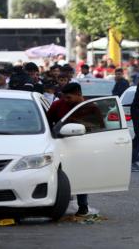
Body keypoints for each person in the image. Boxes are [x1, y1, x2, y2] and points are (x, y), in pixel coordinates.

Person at [46, 83, 92, 216]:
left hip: (83, 146)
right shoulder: (57, 105)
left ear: (79, 94)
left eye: (68, 97)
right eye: (64, 97)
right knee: (60, 176)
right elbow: (48, 124)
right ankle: (57, 205)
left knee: (81, 174)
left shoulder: (90, 107)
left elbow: (98, 126)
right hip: (61, 145)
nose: (65, 101)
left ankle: (83, 205)